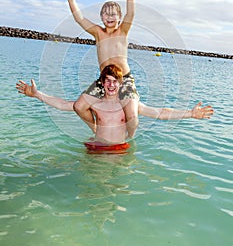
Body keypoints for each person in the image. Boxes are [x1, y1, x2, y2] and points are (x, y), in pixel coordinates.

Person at [16, 64, 214, 146]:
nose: (111, 84)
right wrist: (37, 94)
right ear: (102, 83)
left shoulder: (128, 105)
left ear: (120, 84)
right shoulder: (95, 103)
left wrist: (191, 113)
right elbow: (64, 105)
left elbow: (161, 112)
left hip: (120, 151)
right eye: (107, 80)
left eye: (115, 81)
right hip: (95, 147)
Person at [62, 0, 139, 138]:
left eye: (114, 14)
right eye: (106, 14)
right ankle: (97, 129)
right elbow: (79, 18)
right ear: (101, 17)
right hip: (105, 80)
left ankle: (129, 136)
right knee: (79, 106)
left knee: (133, 118)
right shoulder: (98, 32)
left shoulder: (123, 31)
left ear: (119, 18)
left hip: (124, 79)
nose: (110, 17)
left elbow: (131, 13)